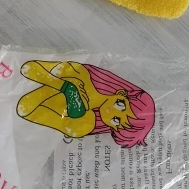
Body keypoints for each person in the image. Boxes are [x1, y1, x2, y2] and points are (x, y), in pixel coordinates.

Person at [16, 60, 155, 148]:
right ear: (121, 93)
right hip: (40, 92)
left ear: (112, 128)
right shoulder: (85, 75)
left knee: (80, 127)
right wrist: (63, 86)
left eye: (116, 120)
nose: (110, 111)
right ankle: (63, 87)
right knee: (77, 73)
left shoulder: (85, 124)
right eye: (120, 105)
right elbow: (28, 68)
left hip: (33, 105)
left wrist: (64, 87)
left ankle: (63, 87)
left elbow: (24, 109)